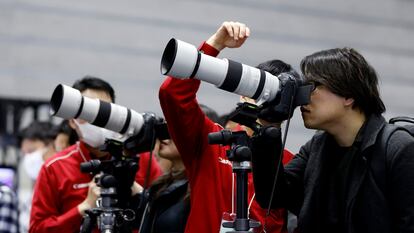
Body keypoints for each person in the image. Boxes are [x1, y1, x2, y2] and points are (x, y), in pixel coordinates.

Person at [252, 48, 414, 233]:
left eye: (313, 86)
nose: (303, 97)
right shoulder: (317, 146)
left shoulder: (398, 148)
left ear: (348, 95)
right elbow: (272, 197)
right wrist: (269, 126)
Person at [159, 21, 295, 233]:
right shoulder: (212, 141)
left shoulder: (291, 162)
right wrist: (215, 44)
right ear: (244, 92)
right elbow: (172, 95)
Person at [29, 76, 162, 233]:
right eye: (89, 112)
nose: (97, 121)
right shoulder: (55, 168)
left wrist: (139, 194)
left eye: (104, 111)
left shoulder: (141, 159)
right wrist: (82, 209)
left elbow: (162, 218)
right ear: (72, 121)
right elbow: (37, 229)